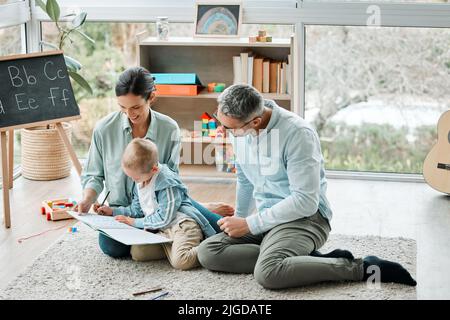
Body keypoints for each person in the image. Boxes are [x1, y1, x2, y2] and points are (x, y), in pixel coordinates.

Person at [197, 84, 417, 289]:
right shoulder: (240, 131)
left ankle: (362, 268)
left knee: (268, 273)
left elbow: (305, 202)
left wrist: (250, 224)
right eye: (220, 121)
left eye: (229, 128)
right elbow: (245, 180)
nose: (223, 131)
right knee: (208, 252)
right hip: (267, 217)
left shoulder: (297, 134)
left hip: (306, 219)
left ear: (254, 121)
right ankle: (300, 259)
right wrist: (239, 222)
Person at [77, 67, 233, 258]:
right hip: (126, 209)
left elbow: (172, 179)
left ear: (151, 97)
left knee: (221, 232)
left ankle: (197, 211)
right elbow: (94, 174)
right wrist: (88, 198)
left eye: (135, 107)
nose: (129, 114)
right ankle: (177, 228)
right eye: (122, 107)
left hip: (164, 204)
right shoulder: (104, 129)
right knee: (113, 248)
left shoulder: (168, 129)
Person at [97, 138, 214, 269]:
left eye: (135, 178)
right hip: (162, 230)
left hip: (182, 226)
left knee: (181, 262)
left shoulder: (167, 182)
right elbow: (137, 210)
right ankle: (176, 247)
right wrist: (113, 211)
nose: (133, 180)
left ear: (153, 169)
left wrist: (134, 222)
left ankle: (210, 245)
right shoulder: (140, 180)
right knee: (138, 254)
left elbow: (165, 217)